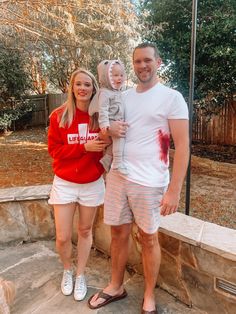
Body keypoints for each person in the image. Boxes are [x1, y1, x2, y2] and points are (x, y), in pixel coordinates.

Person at [88, 43, 189, 313]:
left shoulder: (172, 97)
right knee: (118, 233)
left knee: (149, 238)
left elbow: (183, 145)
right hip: (119, 177)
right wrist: (108, 132)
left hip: (150, 182)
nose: (142, 66)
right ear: (132, 65)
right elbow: (103, 133)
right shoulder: (123, 96)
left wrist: (174, 191)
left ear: (158, 62)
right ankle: (116, 286)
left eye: (147, 60)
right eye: (137, 61)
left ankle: (149, 296)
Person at [48, 68, 108, 302]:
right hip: (65, 183)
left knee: (85, 231)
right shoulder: (59, 116)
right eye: (78, 84)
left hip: (91, 183)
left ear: (94, 89)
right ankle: (67, 270)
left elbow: (110, 147)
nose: (83, 88)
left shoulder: (100, 118)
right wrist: (83, 147)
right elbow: (54, 151)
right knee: (63, 237)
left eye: (87, 85)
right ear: (71, 88)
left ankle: (81, 274)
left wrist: (99, 168)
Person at [89, 59, 127, 174]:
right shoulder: (105, 92)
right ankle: (117, 163)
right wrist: (104, 124)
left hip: (117, 120)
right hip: (110, 121)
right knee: (119, 139)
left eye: (121, 75)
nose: (119, 78)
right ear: (107, 77)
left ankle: (107, 160)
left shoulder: (117, 92)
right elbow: (103, 109)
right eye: (115, 75)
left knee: (114, 142)